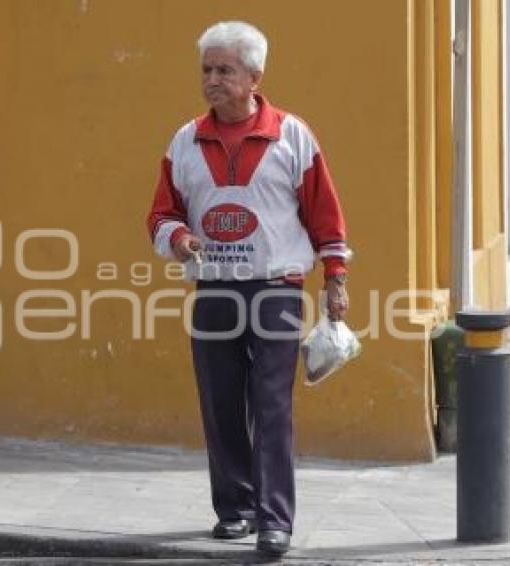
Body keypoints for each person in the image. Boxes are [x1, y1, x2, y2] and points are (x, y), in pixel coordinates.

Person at [145, 21, 350, 557]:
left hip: (276, 289)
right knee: (219, 402)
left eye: (224, 70)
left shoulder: (292, 137)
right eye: (206, 70)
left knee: (272, 403)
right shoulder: (184, 141)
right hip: (213, 290)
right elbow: (161, 214)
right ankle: (233, 508)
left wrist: (336, 279)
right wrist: (182, 238)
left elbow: (325, 214)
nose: (212, 79)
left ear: (255, 77)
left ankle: (274, 518)